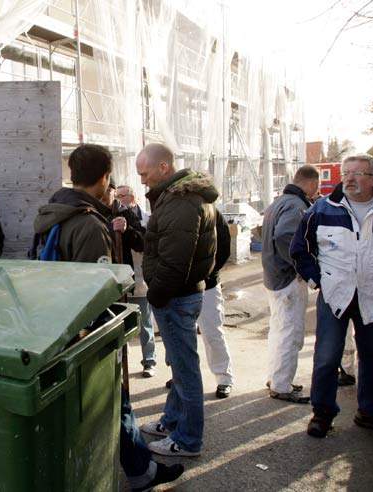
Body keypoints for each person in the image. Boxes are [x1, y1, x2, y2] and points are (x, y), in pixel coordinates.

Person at [33, 144, 183, 491]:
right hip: (83, 334)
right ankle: (141, 472)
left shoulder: (52, 211)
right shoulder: (88, 224)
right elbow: (95, 295)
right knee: (115, 399)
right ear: (104, 177)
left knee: (115, 403)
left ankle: (141, 469)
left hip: (54, 325)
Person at [291, 154, 373, 438]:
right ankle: (322, 413)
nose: (349, 178)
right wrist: (317, 280)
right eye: (346, 172)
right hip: (335, 296)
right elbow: (300, 249)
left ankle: (371, 412)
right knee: (327, 357)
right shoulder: (322, 209)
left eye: (358, 173)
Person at [135, 143, 219, 458]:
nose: (142, 180)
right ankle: (172, 421)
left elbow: (174, 261)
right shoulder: (186, 197)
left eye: (145, 173)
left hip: (175, 297)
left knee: (185, 370)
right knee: (180, 366)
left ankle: (187, 440)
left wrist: (156, 295)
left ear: (164, 167)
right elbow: (219, 242)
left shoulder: (181, 202)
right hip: (183, 294)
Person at [260, 165, 321, 404]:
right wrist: (302, 266)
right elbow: (285, 236)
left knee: (279, 331)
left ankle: (276, 378)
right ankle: (281, 385)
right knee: (290, 333)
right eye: (317, 186)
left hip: (275, 277)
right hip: (287, 279)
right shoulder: (296, 205)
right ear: (311, 183)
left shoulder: (279, 202)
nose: (317, 191)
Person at [115, 185, 157, 378]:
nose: (119, 199)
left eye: (122, 195)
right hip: (124, 280)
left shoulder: (146, 219)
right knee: (123, 325)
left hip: (142, 278)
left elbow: (146, 245)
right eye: (117, 196)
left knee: (145, 324)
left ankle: (149, 361)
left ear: (132, 197)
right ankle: (123, 363)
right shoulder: (115, 217)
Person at [199, 208, 235, 398]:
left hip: (208, 285)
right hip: (180, 286)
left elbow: (224, 247)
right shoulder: (173, 208)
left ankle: (224, 378)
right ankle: (182, 376)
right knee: (182, 336)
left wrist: (208, 272)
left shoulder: (212, 212)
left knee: (212, 332)